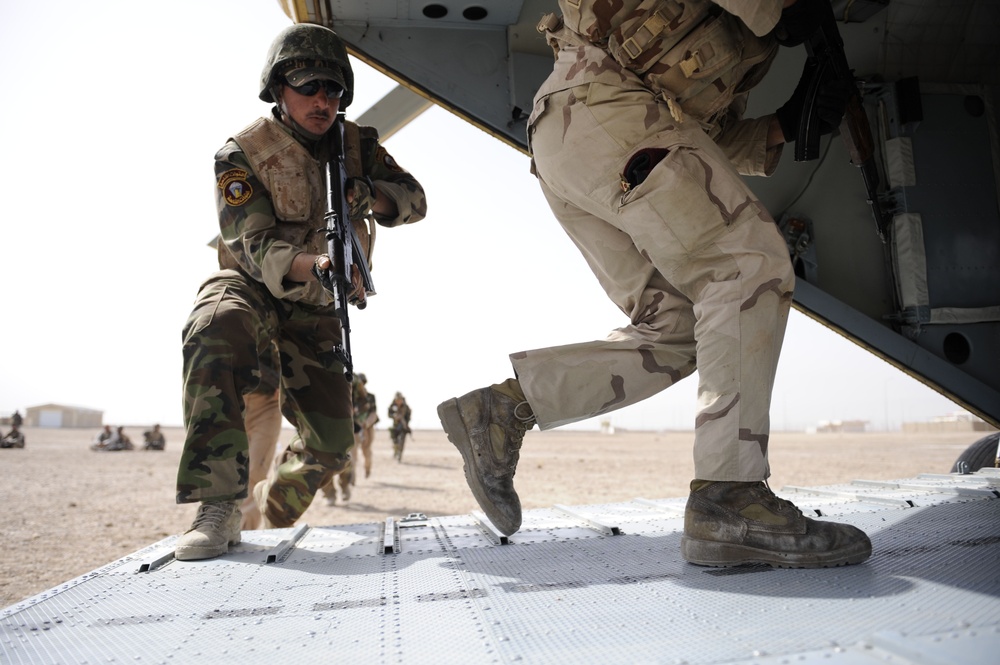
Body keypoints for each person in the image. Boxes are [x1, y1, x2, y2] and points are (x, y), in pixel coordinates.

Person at [437, 0, 871, 568]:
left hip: (584, 133)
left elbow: (701, 126)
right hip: (611, 114)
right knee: (744, 267)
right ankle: (730, 498)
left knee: (678, 325)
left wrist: (785, 124)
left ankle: (504, 411)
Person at [174, 23, 426, 561]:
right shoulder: (243, 153)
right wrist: (319, 265)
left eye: (334, 89)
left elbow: (415, 199)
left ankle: (269, 507)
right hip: (253, 288)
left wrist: (369, 194)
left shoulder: (358, 145)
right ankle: (218, 505)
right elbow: (253, 244)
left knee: (331, 446)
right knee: (213, 326)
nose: (322, 100)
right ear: (278, 88)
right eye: (309, 86)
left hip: (315, 310)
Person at [388, 392, 411, 462]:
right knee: (395, 442)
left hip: (403, 427)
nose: (398, 401)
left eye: (400, 400)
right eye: (397, 400)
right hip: (395, 427)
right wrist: (394, 416)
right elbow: (389, 414)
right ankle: (396, 451)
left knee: (401, 441)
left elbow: (408, 416)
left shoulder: (406, 407)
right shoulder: (392, 406)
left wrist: (405, 422)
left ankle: (399, 455)